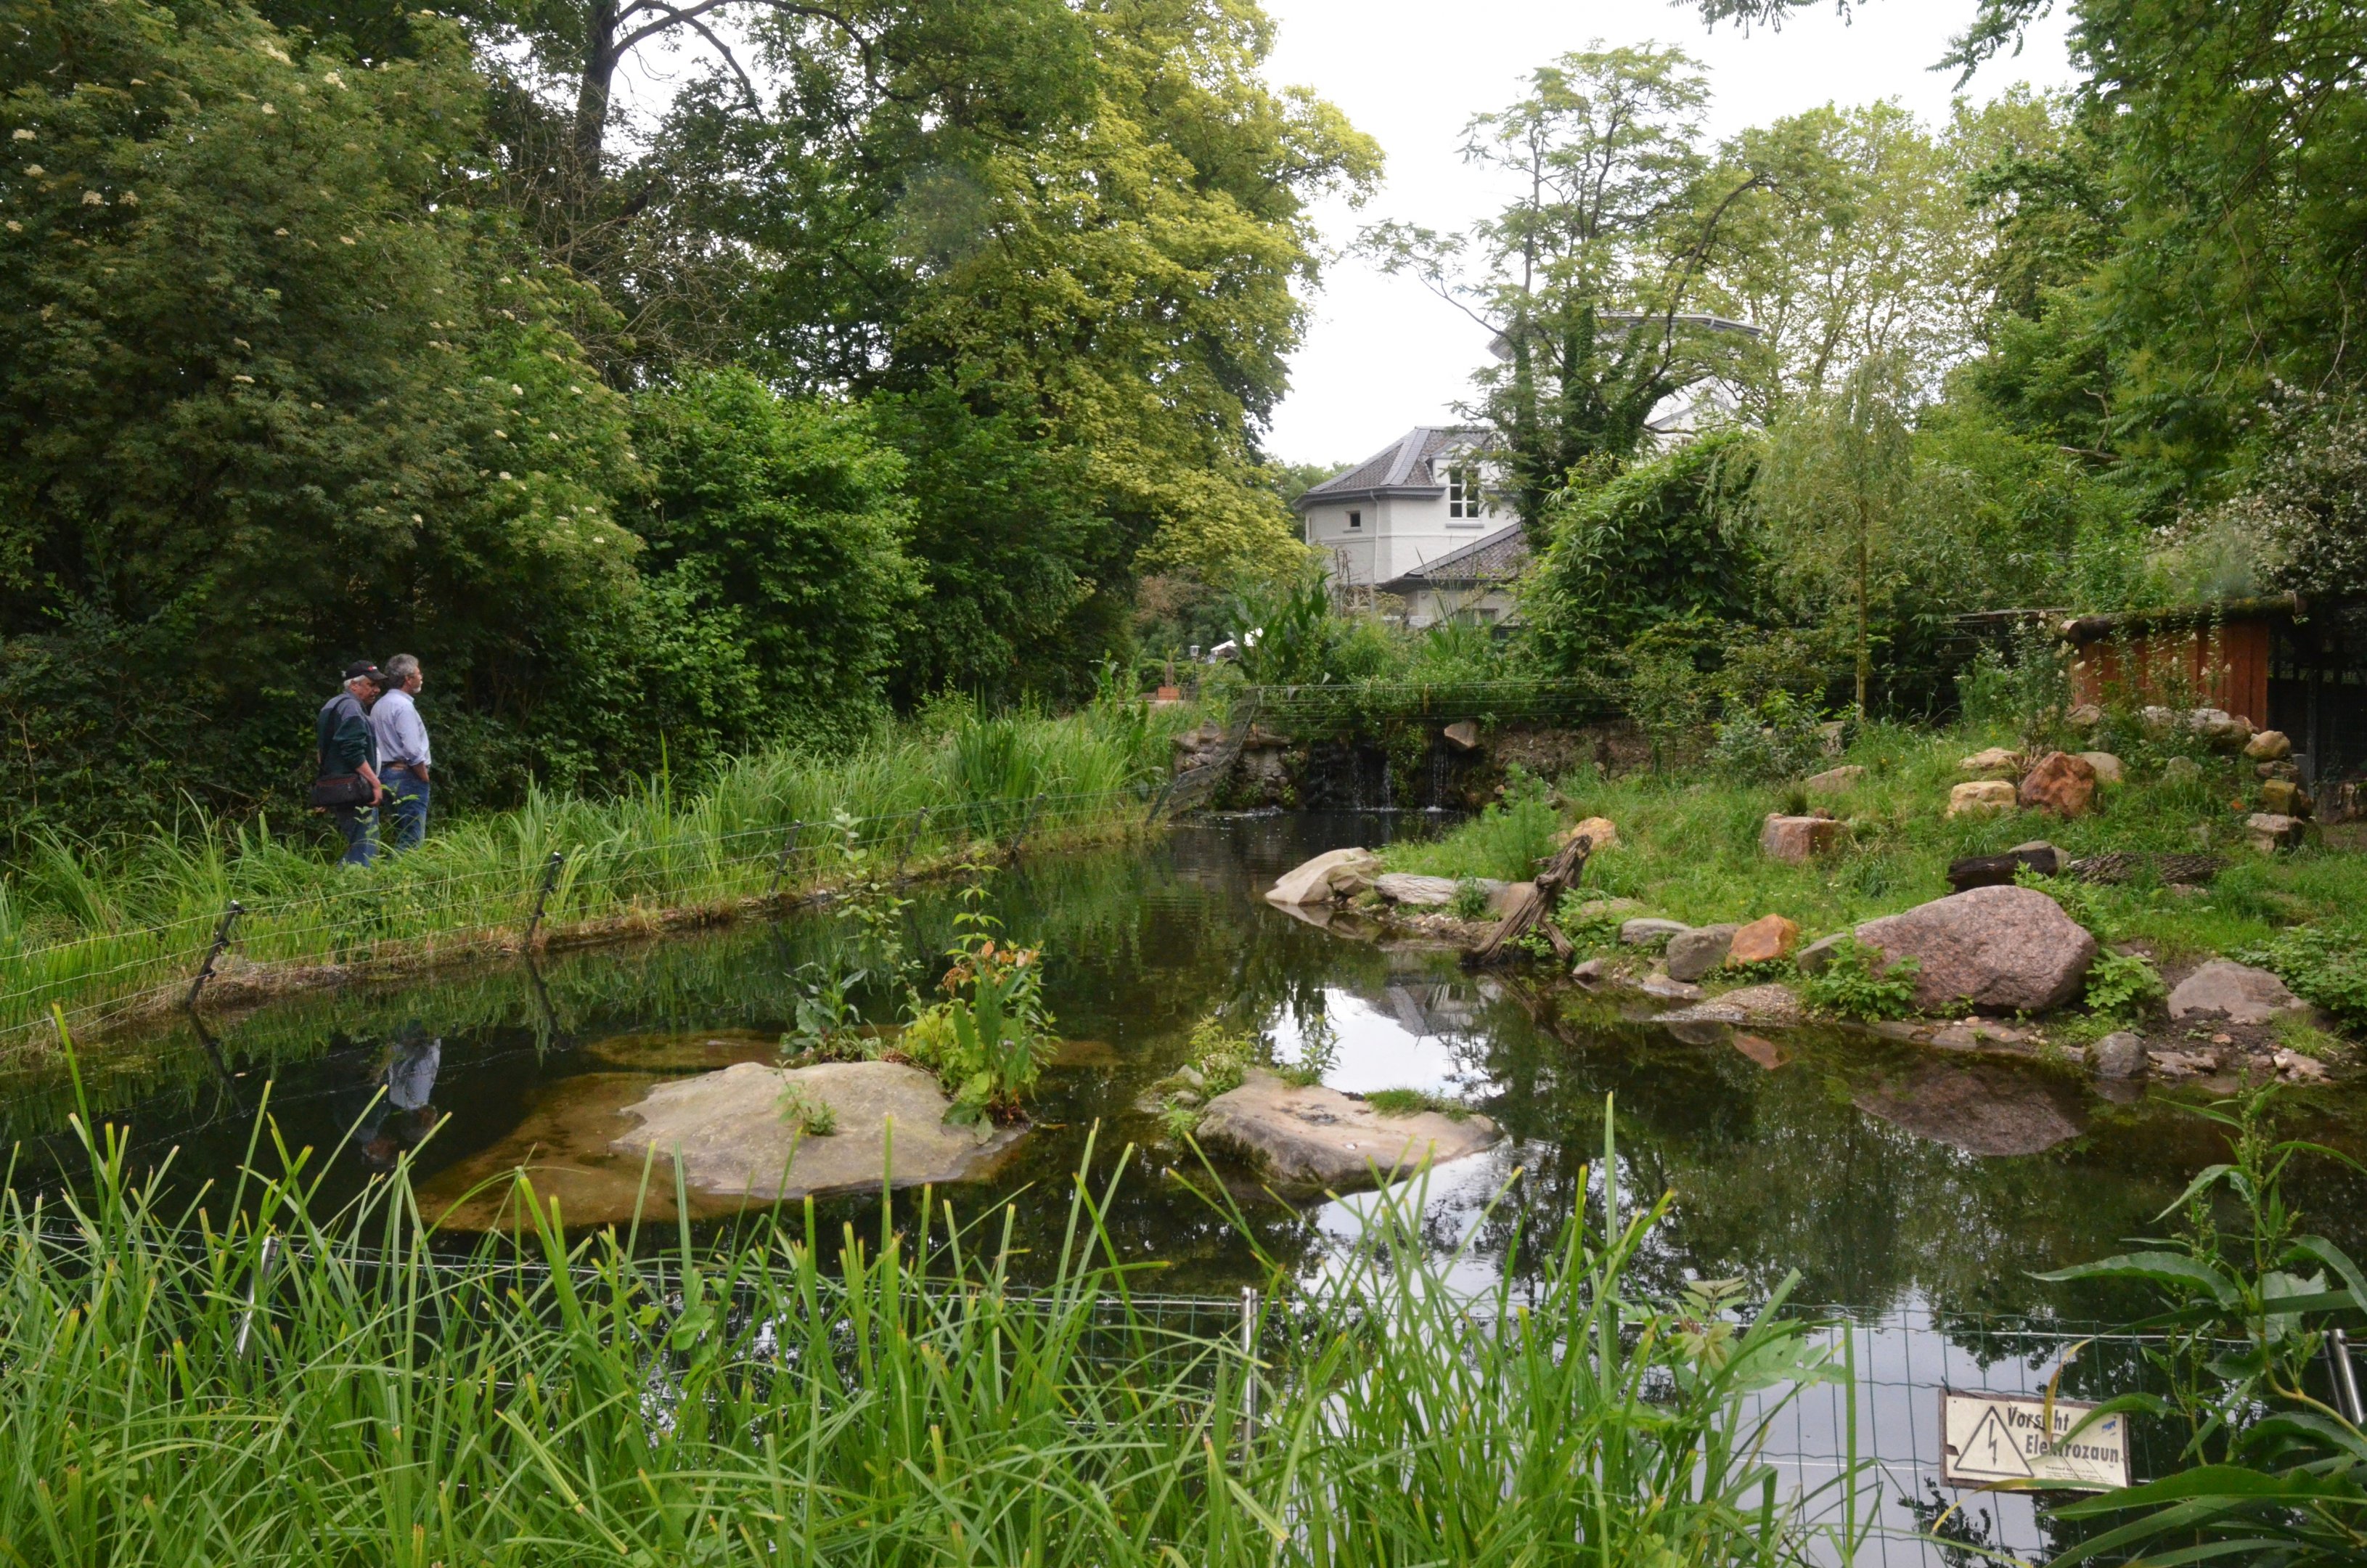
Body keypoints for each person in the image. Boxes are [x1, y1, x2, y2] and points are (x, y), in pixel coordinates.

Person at [316, 662, 384, 866]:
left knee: (359, 844)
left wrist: (323, 785)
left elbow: (322, 752)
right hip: (354, 789)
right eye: (371, 685)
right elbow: (352, 750)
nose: (377, 690)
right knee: (365, 848)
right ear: (354, 685)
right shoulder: (352, 708)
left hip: (339, 785)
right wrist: (375, 783)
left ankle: (344, 881)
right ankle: (347, 883)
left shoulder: (332, 705)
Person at [372, 653, 433, 852]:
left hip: (385, 775)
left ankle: (393, 870)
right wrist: (423, 777)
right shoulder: (404, 707)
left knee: (402, 832)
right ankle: (403, 872)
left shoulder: (379, 705)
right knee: (412, 839)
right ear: (408, 678)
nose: (421, 677)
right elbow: (413, 750)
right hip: (407, 776)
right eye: (418, 673)